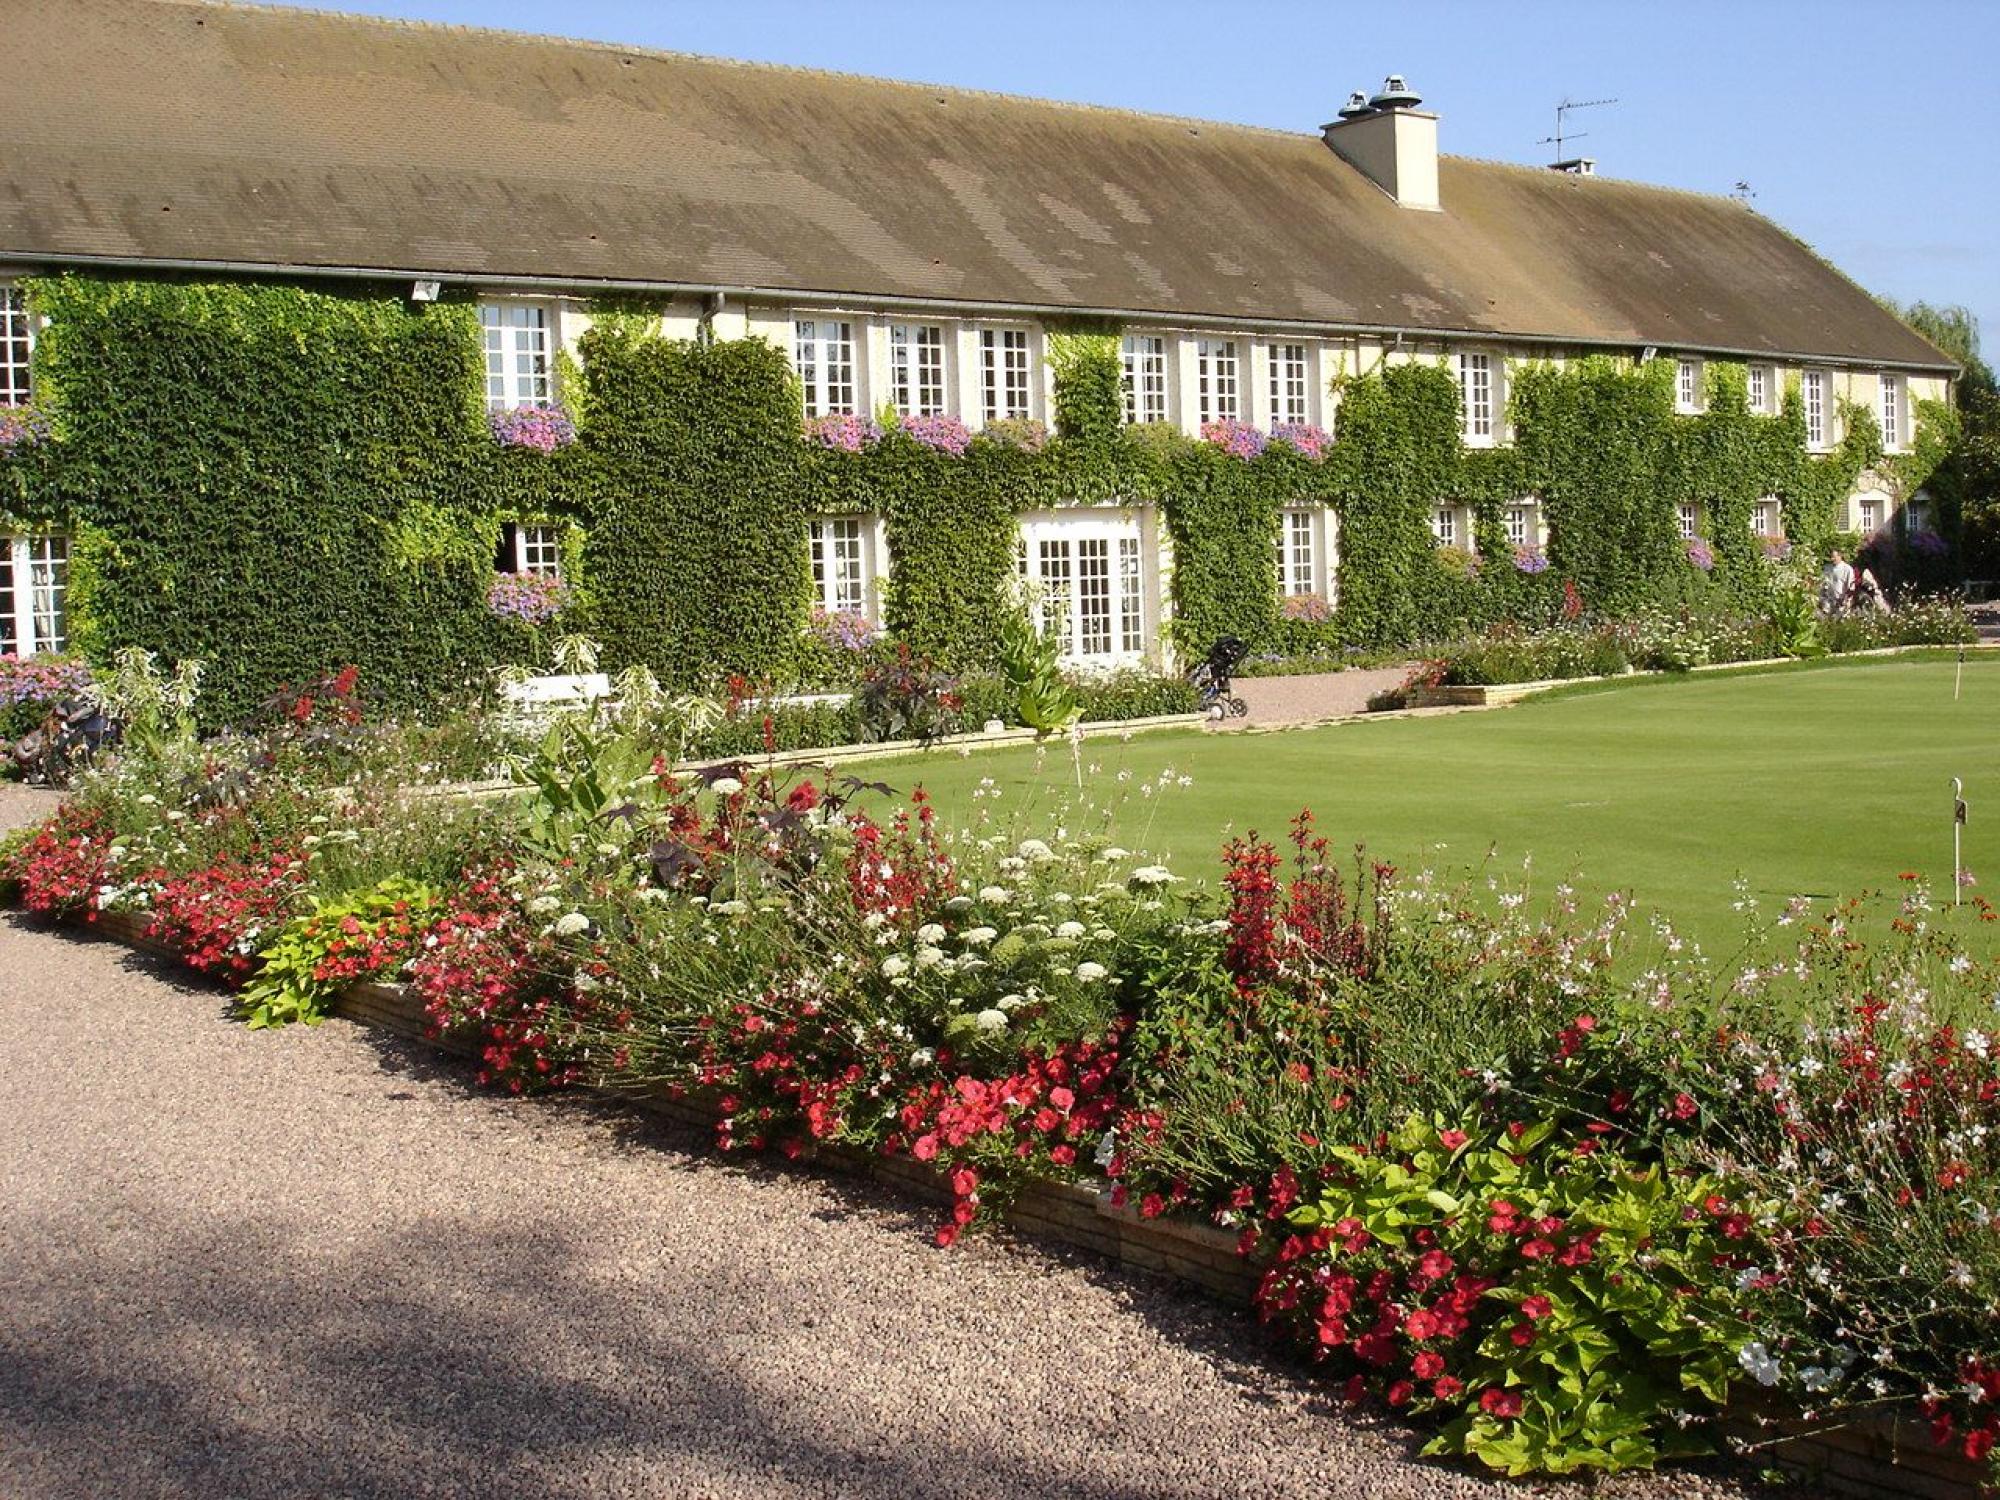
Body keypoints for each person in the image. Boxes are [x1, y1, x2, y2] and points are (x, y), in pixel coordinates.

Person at [1820, 549, 1855, 615]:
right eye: (1831, 557)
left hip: (1841, 602)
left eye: (1834, 557)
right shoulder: (1827, 568)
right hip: (1828, 601)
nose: (1832, 559)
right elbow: (1823, 583)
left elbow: (1851, 586)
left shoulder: (1847, 569)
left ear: (1840, 556)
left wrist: (1847, 601)